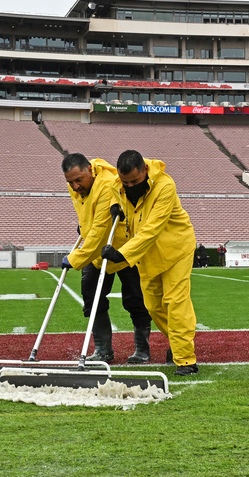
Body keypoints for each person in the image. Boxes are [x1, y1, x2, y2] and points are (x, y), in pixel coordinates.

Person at [100, 150, 199, 376]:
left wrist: (122, 254)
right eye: (126, 182)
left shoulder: (165, 186)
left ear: (145, 170)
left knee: (175, 302)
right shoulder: (119, 184)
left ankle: (186, 360)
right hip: (147, 255)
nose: (130, 186)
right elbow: (113, 188)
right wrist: (115, 204)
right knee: (154, 307)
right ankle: (177, 343)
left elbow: (152, 229)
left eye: (135, 181)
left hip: (175, 250)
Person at [60, 153, 151, 364]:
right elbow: (86, 213)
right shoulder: (76, 186)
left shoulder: (108, 184)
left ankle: (142, 348)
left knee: (135, 299)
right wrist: (83, 225)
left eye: (78, 180)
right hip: (97, 252)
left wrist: (75, 258)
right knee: (91, 296)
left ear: (89, 170)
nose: (74, 186)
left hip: (124, 248)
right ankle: (103, 349)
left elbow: (101, 228)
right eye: (70, 182)